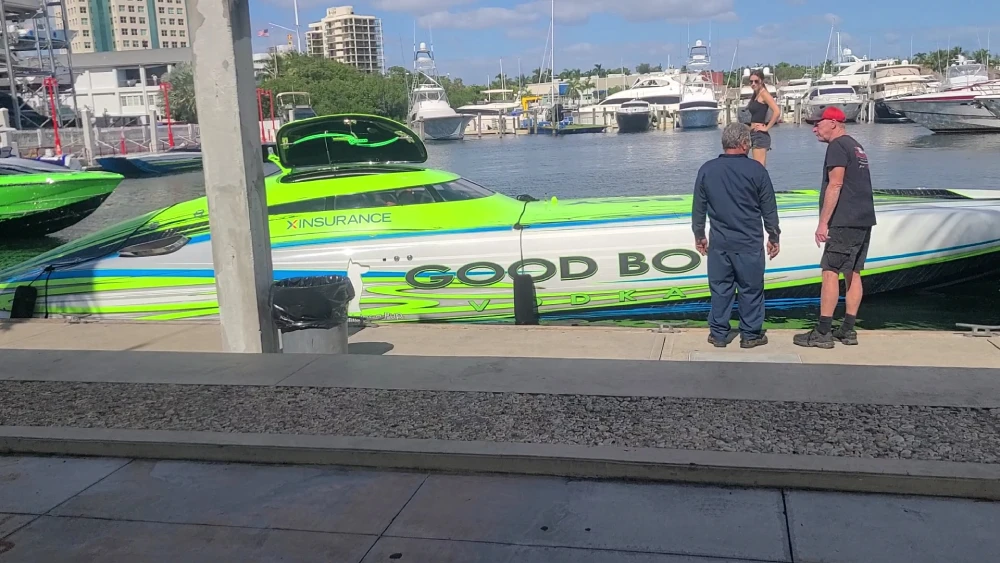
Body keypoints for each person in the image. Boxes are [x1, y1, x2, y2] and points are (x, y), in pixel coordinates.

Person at [793, 106, 876, 349]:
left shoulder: (837, 146)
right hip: (863, 218)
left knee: (830, 271)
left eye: (818, 123)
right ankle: (848, 330)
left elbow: (835, 184)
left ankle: (823, 331)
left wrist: (823, 222)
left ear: (833, 122)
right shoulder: (856, 146)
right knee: (853, 273)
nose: (814, 128)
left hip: (844, 220)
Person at [692, 123, 781, 349]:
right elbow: (769, 208)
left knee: (720, 288)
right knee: (750, 289)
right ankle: (750, 335)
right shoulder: (757, 171)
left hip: (720, 243)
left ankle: (719, 334)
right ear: (743, 144)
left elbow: (698, 208)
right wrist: (773, 236)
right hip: (749, 243)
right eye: (749, 143)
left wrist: (699, 235)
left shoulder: (707, 169)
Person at [745, 69, 780, 167]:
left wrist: (766, 128)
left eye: (756, 81)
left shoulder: (764, 94)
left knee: (759, 167)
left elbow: (777, 111)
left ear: (762, 81)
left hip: (760, 134)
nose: (753, 84)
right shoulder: (756, 94)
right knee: (758, 167)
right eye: (751, 81)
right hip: (754, 134)